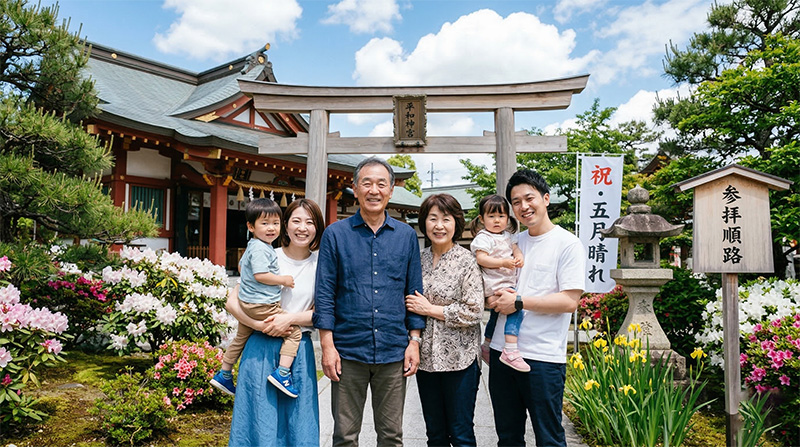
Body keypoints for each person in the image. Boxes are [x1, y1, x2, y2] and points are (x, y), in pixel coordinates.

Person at [313, 157, 425, 447]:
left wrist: (414, 341)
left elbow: (414, 291)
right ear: (354, 188)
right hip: (348, 351)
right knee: (345, 436)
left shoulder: (406, 236)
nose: (374, 190)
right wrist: (327, 345)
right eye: (367, 183)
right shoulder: (336, 234)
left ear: (391, 190)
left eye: (381, 184)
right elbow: (324, 291)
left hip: (393, 350)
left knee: (391, 436)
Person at [487, 169, 586, 447]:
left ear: (545, 198)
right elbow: (491, 283)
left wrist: (519, 302)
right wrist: (491, 300)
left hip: (542, 358)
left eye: (529, 198)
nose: (523, 206)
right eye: (516, 202)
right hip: (501, 353)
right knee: (507, 437)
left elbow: (569, 301)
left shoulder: (567, 244)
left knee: (549, 438)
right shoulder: (512, 242)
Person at [227, 198, 325, 447]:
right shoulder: (267, 255)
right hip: (260, 347)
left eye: (310, 222)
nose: (302, 228)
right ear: (286, 225)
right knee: (259, 421)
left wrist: (289, 319)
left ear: (317, 227)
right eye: (296, 221)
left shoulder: (322, 264)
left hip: (297, 351)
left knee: (299, 423)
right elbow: (232, 302)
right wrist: (260, 325)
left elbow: (323, 313)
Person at [405, 193, 484, 447]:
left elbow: (473, 311)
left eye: (446, 219)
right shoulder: (417, 260)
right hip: (426, 360)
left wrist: (430, 309)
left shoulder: (467, 261)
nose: (439, 226)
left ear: (456, 223)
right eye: (433, 219)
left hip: (460, 359)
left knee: (461, 433)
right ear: (424, 222)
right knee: (435, 434)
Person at [211, 198, 301, 398]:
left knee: (241, 337)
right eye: (265, 223)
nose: (271, 228)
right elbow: (261, 275)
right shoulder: (261, 248)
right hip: (262, 305)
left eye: (276, 223)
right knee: (294, 332)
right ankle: (283, 373)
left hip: (247, 303)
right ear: (251, 226)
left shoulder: (253, 246)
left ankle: (224, 373)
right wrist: (283, 280)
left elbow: (243, 268)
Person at [469, 194, 527, 372]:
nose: (496, 220)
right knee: (516, 307)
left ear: (507, 218)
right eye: (491, 216)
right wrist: (502, 262)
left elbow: (516, 250)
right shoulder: (483, 237)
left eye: (501, 216)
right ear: (482, 219)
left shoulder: (509, 236)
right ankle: (510, 348)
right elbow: (481, 258)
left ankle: (486, 344)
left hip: (506, 282)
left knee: (496, 315)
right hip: (495, 284)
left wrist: (518, 257)